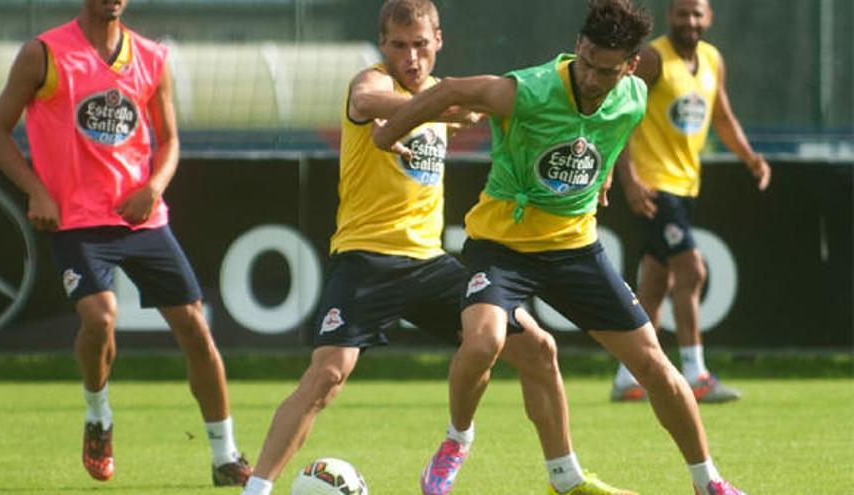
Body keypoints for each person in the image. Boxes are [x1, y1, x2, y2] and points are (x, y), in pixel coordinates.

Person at [241, 2, 632, 495]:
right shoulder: (374, 82)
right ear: (383, 46)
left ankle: (565, 477)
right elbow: (365, 101)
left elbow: (550, 113)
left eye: (421, 45)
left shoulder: (445, 95)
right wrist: (427, 108)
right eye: (399, 45)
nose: (411, 57)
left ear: (438, 41)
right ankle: (255, 489)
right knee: (328, 375)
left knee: (538, 349)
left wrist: (605, 166)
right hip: (367, 258)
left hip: (430, 263)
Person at [374, 1, 749, 494]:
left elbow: (610, 132)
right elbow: (448, 90)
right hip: (501, 246)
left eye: (607, 71)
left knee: (657, 366)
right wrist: (386, 136)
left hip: (575, 250)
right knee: (483, 341)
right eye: (587, 63)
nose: (592, 79)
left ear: (630, 67)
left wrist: (608, 172)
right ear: (578, 47)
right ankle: (457, 438)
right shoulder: (527, 90)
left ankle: (709, 483)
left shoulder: (633, 95)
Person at [0, 0, 251, 486]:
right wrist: (38, 191)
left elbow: (169, 142)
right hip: (76, 223)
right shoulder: (43, 54)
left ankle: (225, 456)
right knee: (101, 317)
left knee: (195, 326)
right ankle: (98, 415)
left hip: (142, 220)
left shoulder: (152, 57)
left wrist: (153, 188)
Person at [610, 0, 771, 404]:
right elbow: (620, 115)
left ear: (709, 17)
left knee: (655, 284)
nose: (690, 22)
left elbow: (722, 117)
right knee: (692, 271)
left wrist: (750, 158)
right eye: (682, 14)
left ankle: (627, 376)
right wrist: (627, 179)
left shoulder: (713, 60)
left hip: (686, 186)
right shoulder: (652, 59)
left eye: (697, 14)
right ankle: (696, 373)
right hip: (655, 186)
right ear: (670, 16)